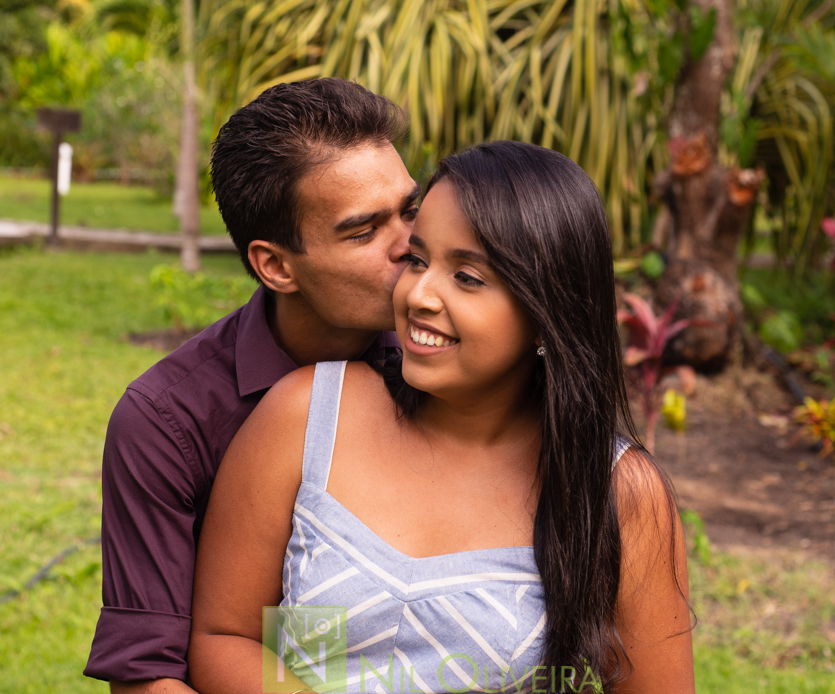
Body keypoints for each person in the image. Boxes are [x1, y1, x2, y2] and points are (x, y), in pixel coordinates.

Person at [189, 142, 695, 693]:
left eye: (469, 278)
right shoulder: (308, 416)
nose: (419, 295)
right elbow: (224, 636)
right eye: (418, 260)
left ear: (549, 314)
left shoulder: (619, 493)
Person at [84, 78, 420, 693]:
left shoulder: (450, 366)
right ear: (276, 265)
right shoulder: (167, 422)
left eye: (410, 211)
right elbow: (146, 676)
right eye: (363, 231)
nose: (409, 247)